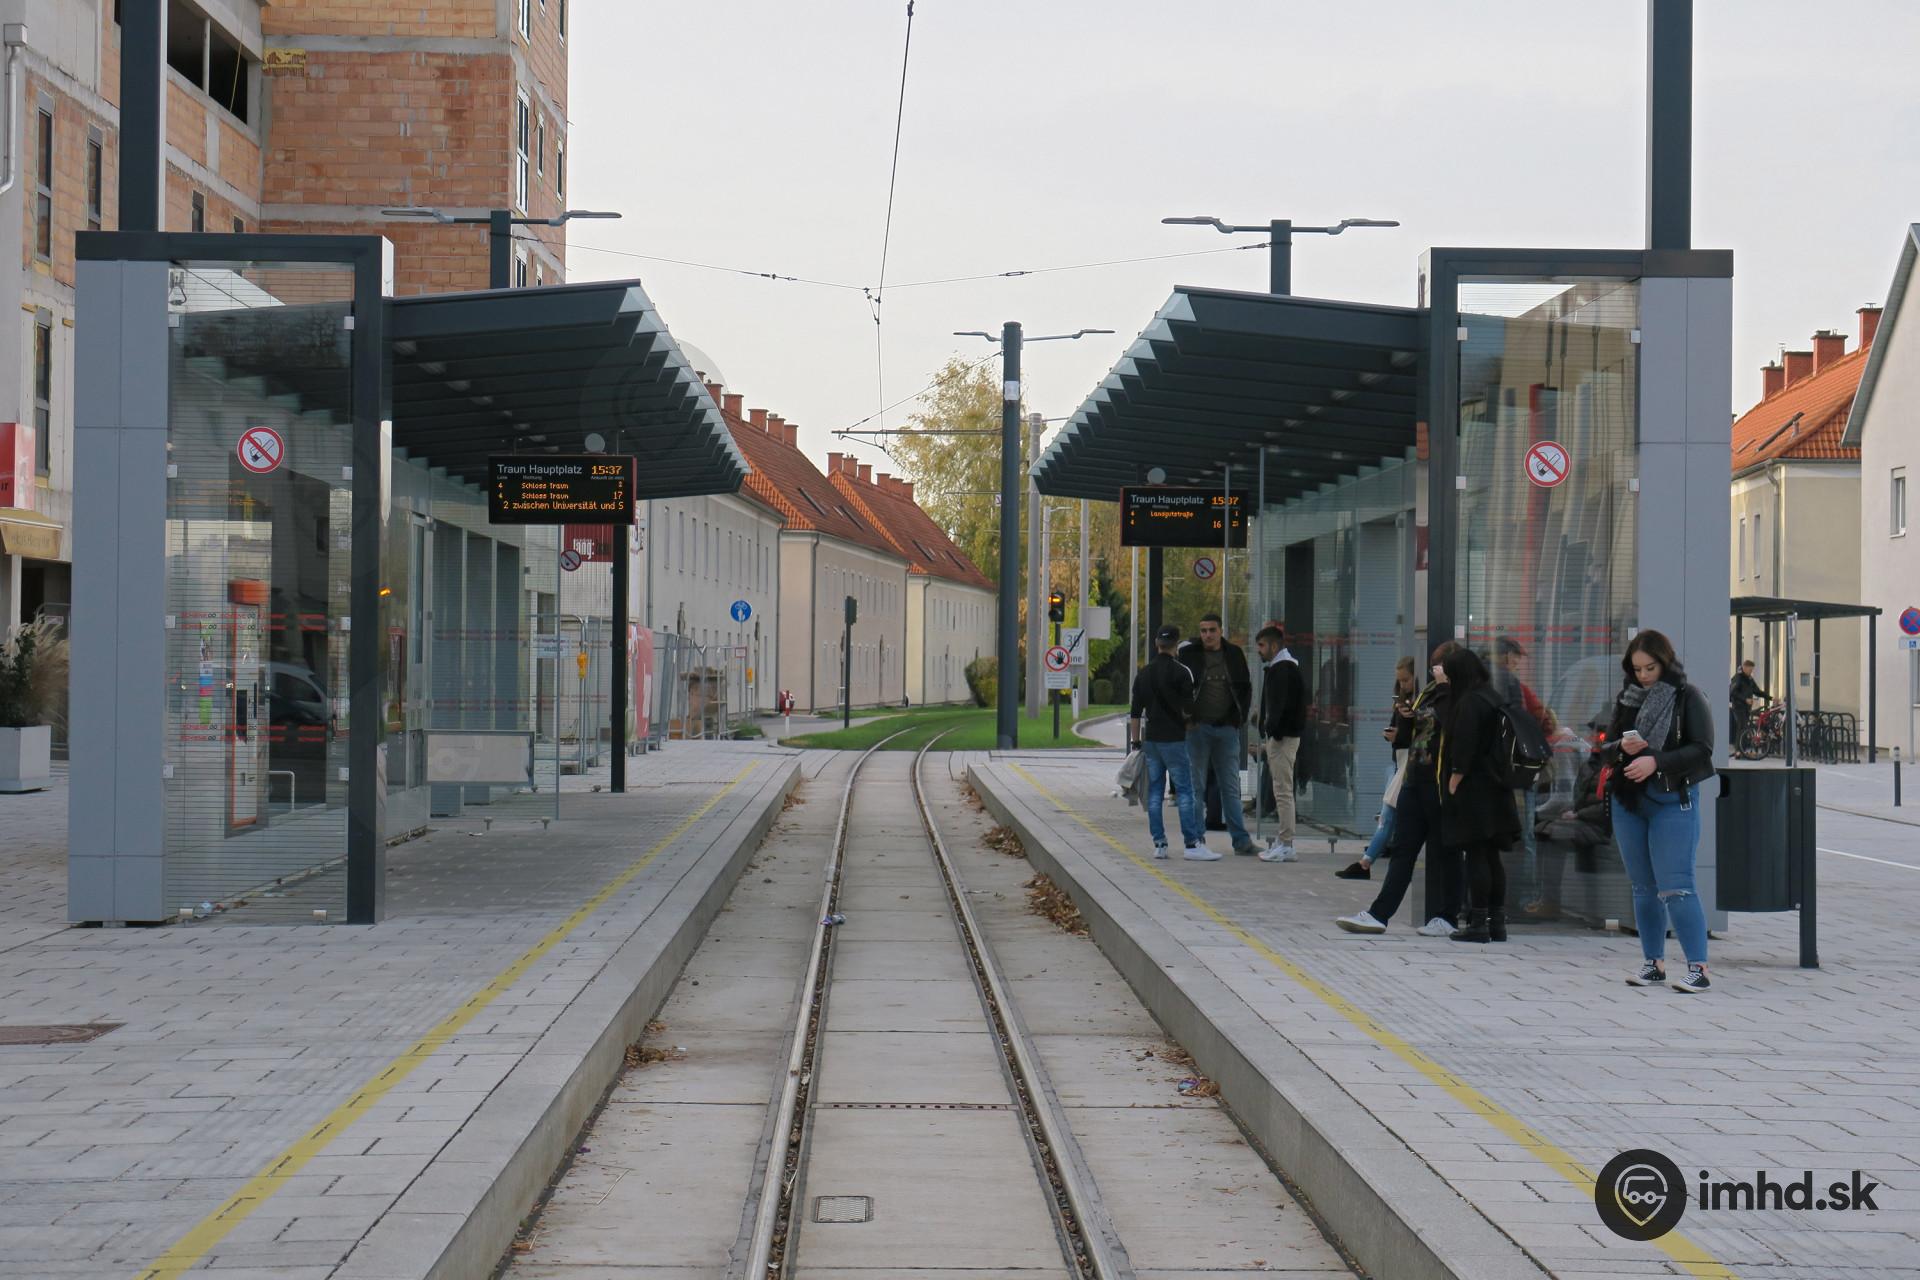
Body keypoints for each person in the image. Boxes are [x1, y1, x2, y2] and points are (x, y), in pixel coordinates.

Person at [1608, 630, 1716, 992]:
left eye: (1650, 668)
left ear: (1664, 662)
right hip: (1629, 799)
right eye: (1636, 669)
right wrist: (1621, 747)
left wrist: (1656, 760)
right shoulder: (1627, 698)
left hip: (1672, 799)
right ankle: (1653, 963)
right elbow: (1607, 745)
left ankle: (1698, 968)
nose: (1643, 675)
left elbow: (1702, 749)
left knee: (1677, 886)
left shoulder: (1688, 696)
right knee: (1643, 887)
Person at [1335, 643, 1465, 936]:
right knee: (1403, 850)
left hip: (1439, 784)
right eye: (1433, 665)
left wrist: (1443, 690)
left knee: (1447, 852)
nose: (1435, 670)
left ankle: (1448, 916)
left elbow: (1453, 727)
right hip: (1414, 778)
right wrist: (1405, 720)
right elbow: (1410, 737)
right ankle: (1378, 914)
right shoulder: (1427, 692)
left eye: (1440, 665)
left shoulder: (1457, 694)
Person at [1440, 646, 1521, 943]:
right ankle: (1496, 923)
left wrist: (1454, 779)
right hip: (1498, 787)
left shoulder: (1469, 702)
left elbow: (1464, 745)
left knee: (1476, 854)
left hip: (1475, 789)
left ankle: (1477, 924)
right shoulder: (1492, 696)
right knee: (1492, 856)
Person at [1129, 625, 1214, 861]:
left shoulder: (1143, 674)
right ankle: (1192, 844)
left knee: (1155, 792)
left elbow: (1135, 713)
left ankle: (1159, 844)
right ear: (1176, 645)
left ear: (1157, 644)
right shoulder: (1182, 672)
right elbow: (1189, 711)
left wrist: (1136, 743)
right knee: (1185, 791)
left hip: (1152, 741)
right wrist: (1191, 726)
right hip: (1175, 740)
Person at [1177, 613, 1258, 856]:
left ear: (1221, 631)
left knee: (1230, 787)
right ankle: (1197, 840)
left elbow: (1245, 687)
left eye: (1212, 630)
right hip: (1197, 729)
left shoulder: (1234, 654)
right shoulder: (1189, 654)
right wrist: (1186, 718)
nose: (1208, 635)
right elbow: (1179, 687)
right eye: (1203, 631)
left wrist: (1239, 719)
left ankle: (1241, 841)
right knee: (1196, 786)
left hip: (1227, 729)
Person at [1336, 657, 1418, 879]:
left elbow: (1417, 737)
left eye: (1406, 680)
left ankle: (1366, 862)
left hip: (1407, 762)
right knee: (1389, 815)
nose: (1403, 684)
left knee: (1388, 814)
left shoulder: (1416, 704)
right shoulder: (1404, 702)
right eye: (1400, 680)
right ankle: (1367, 861)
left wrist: (1398, 734)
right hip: (1401, 761)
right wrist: (1393, 734)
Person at [1490, 636, 1546, 910]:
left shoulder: (1489, 683)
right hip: (1518, 770)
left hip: (1499, 770)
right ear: (1504, 656)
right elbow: (1536, 718)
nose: (1516, 663)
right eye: (1514, 658)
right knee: (1526, 837)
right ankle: (1525, 898)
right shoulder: (1512, 684)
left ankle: (1498, 897)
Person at [1252, 624, 1306, 862]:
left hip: (1282, 738)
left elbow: (1279, 706)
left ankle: (1286, 843)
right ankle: (1284, 841)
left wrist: (1271, 729)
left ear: (1274, 646)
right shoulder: (1285, 667)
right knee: (1281, 789)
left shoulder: (1282, 670)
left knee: (1283, 791)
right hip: (1283, 736)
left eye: (1262, 645)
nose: (1259, 650)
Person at [1729, 658, 1766, 747]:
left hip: (1746, 707)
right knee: (1741, 727)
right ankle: (1738, 750)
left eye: (1752, 670)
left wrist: (1769, 697)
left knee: (1744, 727)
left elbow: (1756, 690)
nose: (1751, 672)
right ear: (1745, 667)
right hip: (1738, 706)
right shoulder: (1738, 678)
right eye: (1750, 670)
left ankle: (1742, 749)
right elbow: (1733, 692)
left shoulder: (1749, 679)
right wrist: (1745, 699)